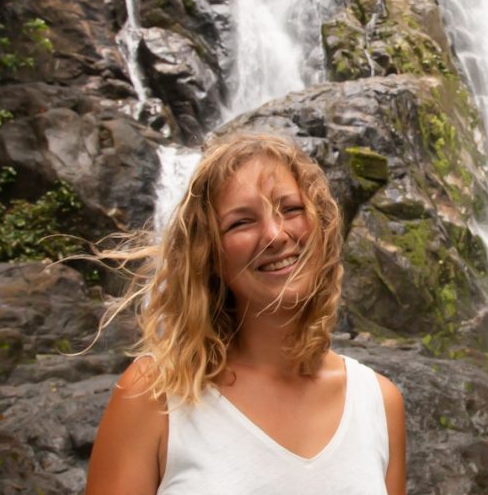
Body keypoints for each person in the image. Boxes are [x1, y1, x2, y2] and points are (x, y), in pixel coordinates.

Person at [84, 132, 406, 494]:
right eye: (241, 222)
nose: (275, 234)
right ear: (210, 255)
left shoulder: (378, 403)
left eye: (291, 209)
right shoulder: (155, 392)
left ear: (322, 227)